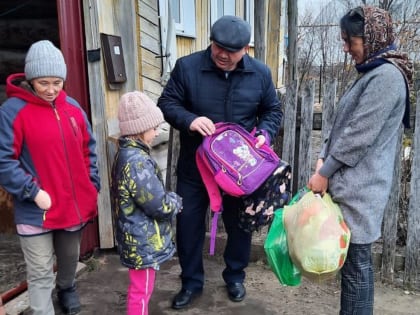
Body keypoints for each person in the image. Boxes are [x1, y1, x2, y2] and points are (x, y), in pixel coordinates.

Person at [157, 15, 282, 309]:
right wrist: (190, 119)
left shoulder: (260, 74)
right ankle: (190, 282)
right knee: (188, 225)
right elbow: (167, 103)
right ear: (211, 42)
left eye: (231, 51)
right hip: (195, 168)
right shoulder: (187, 67)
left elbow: (272, 110)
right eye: (218, 47)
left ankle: (235, 276)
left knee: (240, 226)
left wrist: (264, 132)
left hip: (240, 170)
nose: (223, 55)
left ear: (245, 50)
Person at [307, 6, 413, 315]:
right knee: (353, 267)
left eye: (349, 41)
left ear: (371, 38)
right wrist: (322, 157)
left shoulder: (387, 77)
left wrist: (325, 171)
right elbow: (342, 123)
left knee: (357, 268)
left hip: (361, 188)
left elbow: (357, 135)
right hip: (351, 183)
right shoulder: (373, 70)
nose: (345, 47)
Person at [0, 40, 100, 315]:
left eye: (57, 82)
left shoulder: (73, 109)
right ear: (31, 79)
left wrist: (92, 185)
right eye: (44, 82)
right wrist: (33, 192)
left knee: (68, 259)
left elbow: (88, 150)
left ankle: (66, 288)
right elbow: (3, 161)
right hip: (36, 210)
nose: (52, 89)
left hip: (72, 206)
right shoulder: (12, 113)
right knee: (41, 271)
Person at [111, 91, 182, 315]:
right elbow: (156, 204)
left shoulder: (126, 154)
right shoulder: (137, 162)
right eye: (154, 128)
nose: (157, 132)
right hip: (142, 242)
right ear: (140, 130)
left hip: (137, 237)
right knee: (141, 291)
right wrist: (175, 201)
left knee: (142, 287)